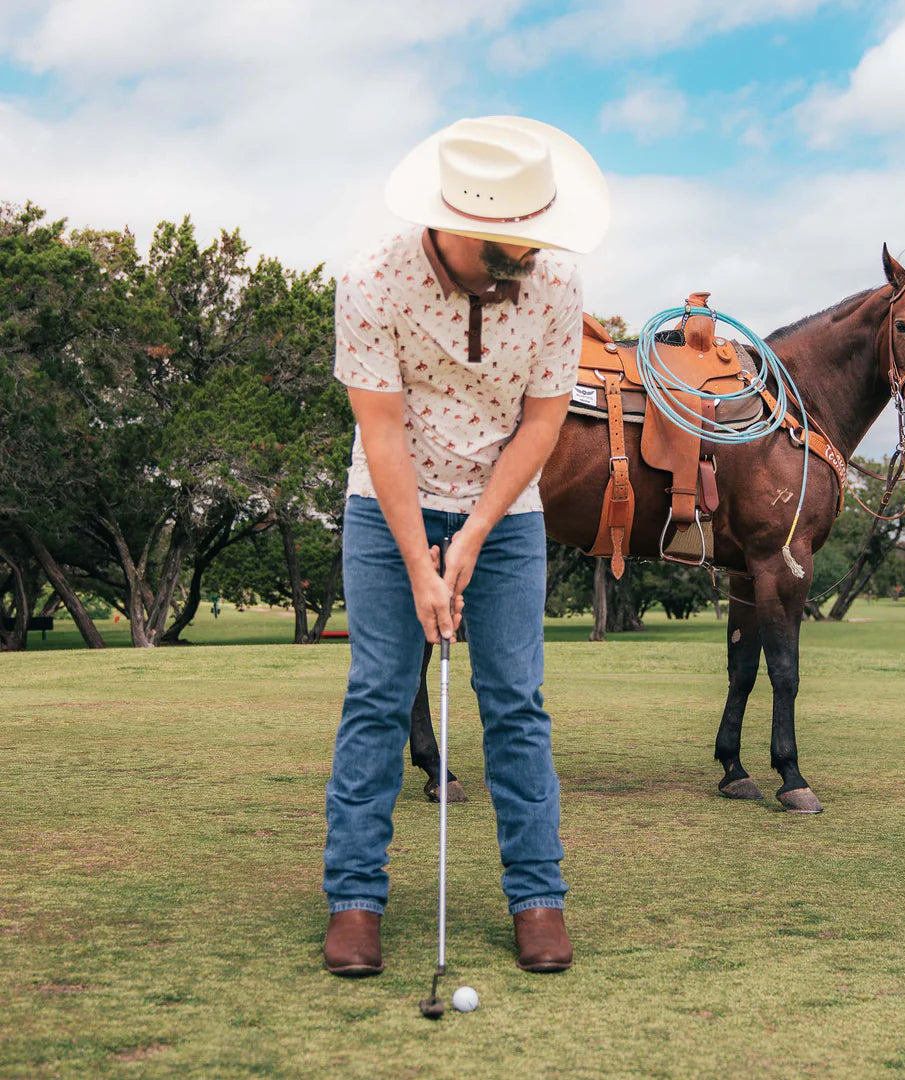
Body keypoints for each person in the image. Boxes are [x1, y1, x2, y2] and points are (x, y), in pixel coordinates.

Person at [322, 116, 610, 977]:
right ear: (456, 227)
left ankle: (538, 898)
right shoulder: (372, 281)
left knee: (515, 699)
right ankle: (354, 901)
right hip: (387, 508)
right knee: (378, 694)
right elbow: (381, 433)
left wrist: (477, 532)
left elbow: (544, 421)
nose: (528, 257)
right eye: (508, 246)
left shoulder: (557, 283)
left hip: (509, 512)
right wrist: (421, 561)